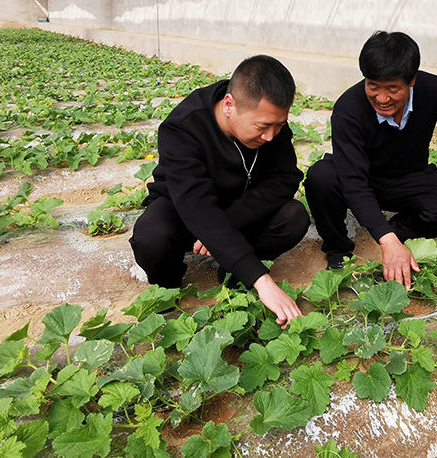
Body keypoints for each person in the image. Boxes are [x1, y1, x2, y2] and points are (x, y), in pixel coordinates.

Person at [129, 55, 310, 327]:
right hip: (187, 210)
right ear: (229, 105)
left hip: (240, 212)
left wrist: (234, 219)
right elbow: (197, 207)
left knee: (294, 217)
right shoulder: (182, 127)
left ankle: (234, 273)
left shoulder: (271, 124)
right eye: (262, 127)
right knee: (151, 236)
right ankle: (168, 287)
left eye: (279, 125)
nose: (271, 136)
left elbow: (285, 178)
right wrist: (263, 281)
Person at [305, 31, 437, 290]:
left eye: (393, 89)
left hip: (409, 177)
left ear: (411, 80)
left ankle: (395, 230)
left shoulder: (434, 89)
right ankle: (338, 251)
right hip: (362, 177)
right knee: (321, 177)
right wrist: (386, 240)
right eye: (373, 86)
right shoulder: (349, 109)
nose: (382, 99)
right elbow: (354, 182)